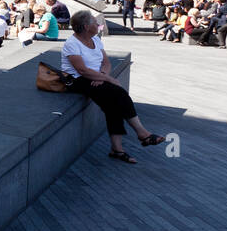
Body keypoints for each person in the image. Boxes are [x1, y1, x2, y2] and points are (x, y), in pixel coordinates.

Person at [62, 10, 164, 164]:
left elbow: (106, 63)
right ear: (85, 26)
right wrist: (107, 78)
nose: (98, 25)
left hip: (95, 77)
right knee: (119, 94)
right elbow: (81, 70)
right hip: (77, 80)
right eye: (95, 23)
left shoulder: (95, 39)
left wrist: (102, 75)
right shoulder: (71, 44)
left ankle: (117, 149)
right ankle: (142, 133)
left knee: (113, 106)